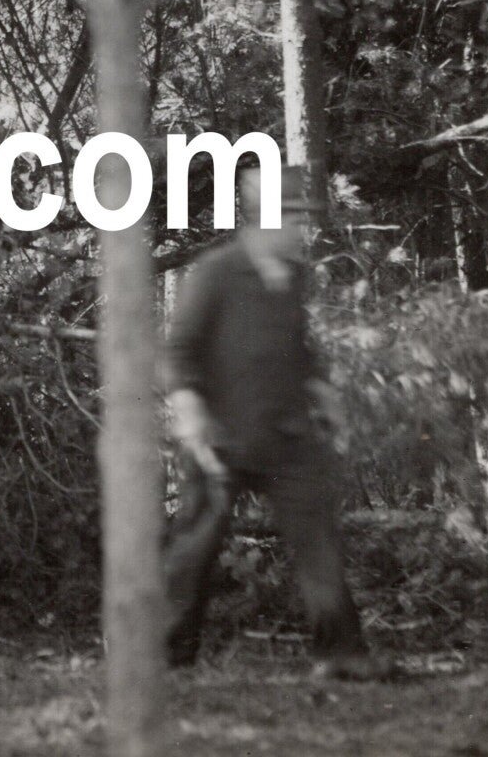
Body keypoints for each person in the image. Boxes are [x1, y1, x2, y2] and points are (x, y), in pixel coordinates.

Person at [163, 162, 389, 679]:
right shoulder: (217, 272)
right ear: (263, 218)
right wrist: (192, 414)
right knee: (195, 548)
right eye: (292, 218)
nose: (300, 229)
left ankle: (341, 654)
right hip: (220, 436)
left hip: (286, 436)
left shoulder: (292, 277)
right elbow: (179, 352)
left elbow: (298, 348)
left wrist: (325, 397)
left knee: (318, 542)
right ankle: (166, 658)